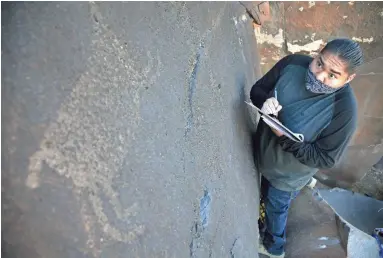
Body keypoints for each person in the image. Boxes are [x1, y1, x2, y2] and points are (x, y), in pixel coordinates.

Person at [250, 38, 363, 258]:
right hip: (261, 150)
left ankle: (274, 248)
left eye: (332, 75)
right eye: (320, 63)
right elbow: (257, 90)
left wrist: (282, 136)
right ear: (318, 53)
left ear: (349, 79)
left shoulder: (344, 112)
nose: (320, 76)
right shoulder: (293, 64)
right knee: (268, 199)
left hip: (286, 176)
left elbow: (324, 158)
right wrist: (265, 102)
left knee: (275, 208)